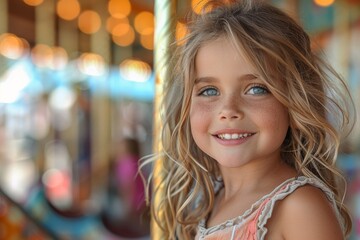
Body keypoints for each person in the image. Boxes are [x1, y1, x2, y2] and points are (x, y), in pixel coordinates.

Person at [143, 0, 355, 239]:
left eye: (256, 89)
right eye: (209, 91)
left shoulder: (300, 207)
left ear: (295, 104)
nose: (228, 110)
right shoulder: (208, 200)